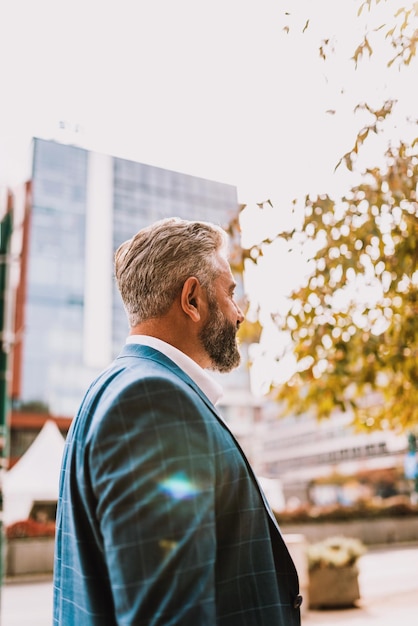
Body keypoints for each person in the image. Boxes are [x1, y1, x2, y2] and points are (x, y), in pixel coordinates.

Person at [53, 217, 302, 625]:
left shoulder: (116, 389)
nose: (239, 314)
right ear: (192, 299)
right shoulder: (154, 403)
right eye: (230, 293)